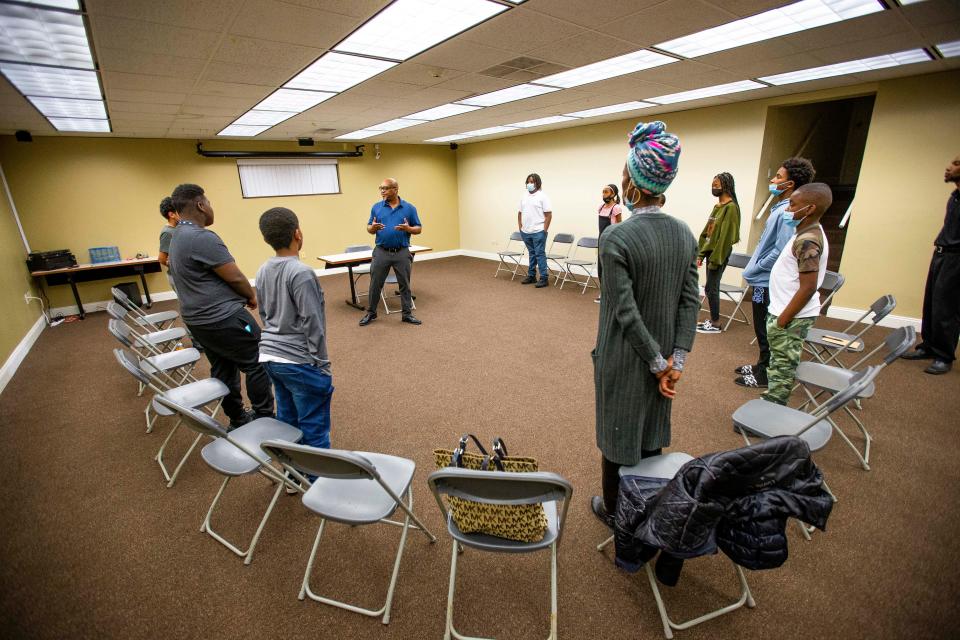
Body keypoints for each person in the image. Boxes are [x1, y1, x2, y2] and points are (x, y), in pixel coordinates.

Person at [590, 121, 699, 528]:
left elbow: (624, 312)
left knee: (618, 435)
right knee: (652, 434)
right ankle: (647, 505)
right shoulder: (685, 233)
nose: (620, 183)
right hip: (668, 358)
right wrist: (676, 362)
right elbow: (692, 301)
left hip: (625, 358)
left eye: (623, 177)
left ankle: (618, 515)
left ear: (633, 185)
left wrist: (655, 363)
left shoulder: (616, 238)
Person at [168, 183, 274, 427]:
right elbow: (235, 276)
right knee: (258, 360)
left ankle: (237, 419)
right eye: (210, 203)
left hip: (199, 321)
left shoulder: (178, 236)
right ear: (200, 205)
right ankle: (264, 418)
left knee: (223, 367)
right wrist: (251, 296)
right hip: (226, 319)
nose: (211, 208)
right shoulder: (201, 237)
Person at [255, 207, 333, 463]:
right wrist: (321, 365)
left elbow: (264, 314)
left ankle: (291, 476)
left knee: (288, 421)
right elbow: (313, 322)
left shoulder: (263, 269)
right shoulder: (301, 273)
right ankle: (318, 485)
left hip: (270, 358)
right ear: (297, 233)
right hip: (299, 361)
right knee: (314, 428)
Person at [735, 157, 815, 388]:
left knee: (764, 325)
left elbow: (780, 250)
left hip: (765, 282)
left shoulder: (787, 213)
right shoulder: (779, 209)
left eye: (778, 176)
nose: (773, 179)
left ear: (790, 184)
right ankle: (761, 363)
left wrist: (757, 267)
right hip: (760, 282)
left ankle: (764, 373)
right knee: (760, 323)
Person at [763, 182, 832, 406]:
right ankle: (772, 403)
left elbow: (809, 286)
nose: (788, 208)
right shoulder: (805, 232)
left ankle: (771, 413)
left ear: (809, 208)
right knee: (777, 363)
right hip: (784, 310)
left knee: (782, 367)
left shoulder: (808, 240)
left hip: (790, 316)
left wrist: (783, 320)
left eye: (793, 204)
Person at [901, 155, 960, 375]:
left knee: (947, 308)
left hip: (956, 258)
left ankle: (944, 356)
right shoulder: (955, 196)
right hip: (941, 254)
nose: (948, 167)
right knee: (932, 304)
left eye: (956, 164)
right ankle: (929, 346)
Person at [359, 178, 422, 326]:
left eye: (385, 188)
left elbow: (418, 228)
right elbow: (369, 227)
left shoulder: (409, 208)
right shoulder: (376, 207)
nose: (382, 191)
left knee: (405, 284)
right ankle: (371, 313)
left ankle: (407, 314)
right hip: (381, 251)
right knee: (375, 284)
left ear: (395, 189)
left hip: (402, 252)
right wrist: (372, 228)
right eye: (380, 188)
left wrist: (408, 229)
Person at [696, 172, 741, 333]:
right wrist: (701, 254)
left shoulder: (731, 208)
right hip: (710, 253)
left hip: (719, 254)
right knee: (710, 288)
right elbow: (708, 232)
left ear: (726, 186)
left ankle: (715, 323)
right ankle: (714, 320)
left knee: (711, 288)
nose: (713, 188)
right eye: (713, 185)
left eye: (716, 185)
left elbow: (726, 237)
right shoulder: (718, 207)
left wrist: (716, 258)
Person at [518, 173, 552, 288]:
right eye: (528, 182)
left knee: (539, 254)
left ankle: (544, 278)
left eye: (532, 182)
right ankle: (532, 275)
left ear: (537, 183)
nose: (530, 184)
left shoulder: (543, 196)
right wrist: (520, 227)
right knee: (532, 254)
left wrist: (544, 231)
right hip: (526, 231)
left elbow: (548, 215)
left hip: (538, 231)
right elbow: (520, 212)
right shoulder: (524, 196)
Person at [595, 183, 623, 303]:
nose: (604, 194)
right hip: (601, 239)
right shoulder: (601, 207)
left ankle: (612, 294)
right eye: (603, 191)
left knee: (609, 268)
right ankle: (603, 292)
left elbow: (619, 226)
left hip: (611, 240)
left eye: (606, 192)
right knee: (600, 268)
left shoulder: (616, 208)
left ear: (613, 194)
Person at [157, 196, 179, 290]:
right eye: (180, 211)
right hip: (176, 277)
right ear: (172, 214)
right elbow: (162, 259)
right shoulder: (167, 233)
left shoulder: (178, 228)